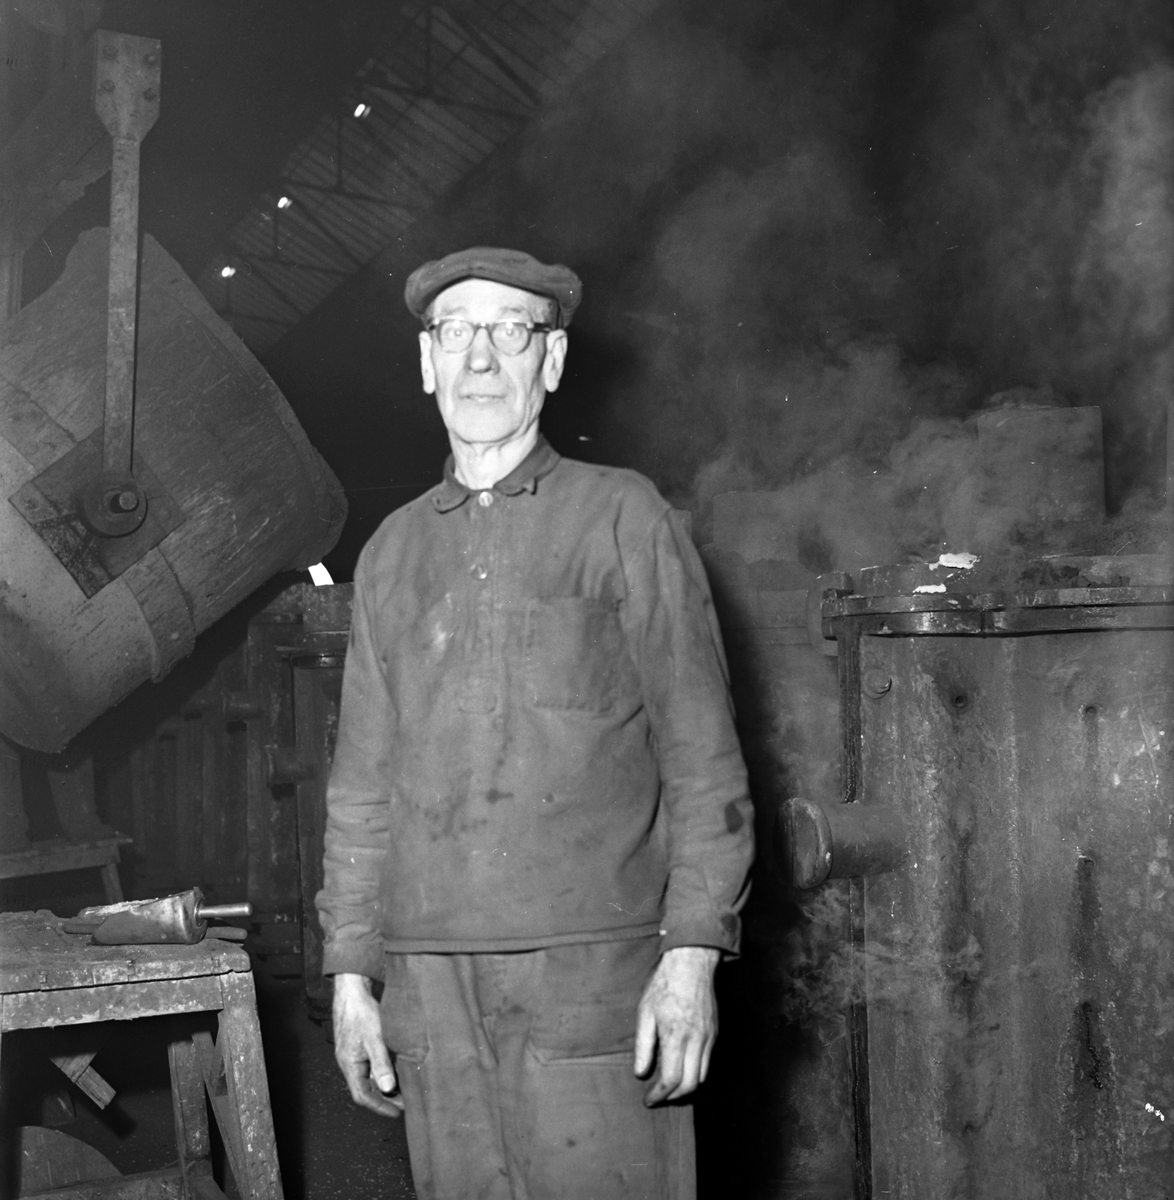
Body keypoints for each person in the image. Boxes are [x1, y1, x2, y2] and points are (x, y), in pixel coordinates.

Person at [316, 246, 754, 1200]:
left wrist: (691, 957)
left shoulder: (623, 517)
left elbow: (705, 762)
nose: (480, 357)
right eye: (455, 332)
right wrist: (351, 977)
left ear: (550, 362)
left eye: (510, 330)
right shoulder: (390, 552)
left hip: (593, 978)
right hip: (430, 984)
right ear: (426, 361)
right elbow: (361, 790)